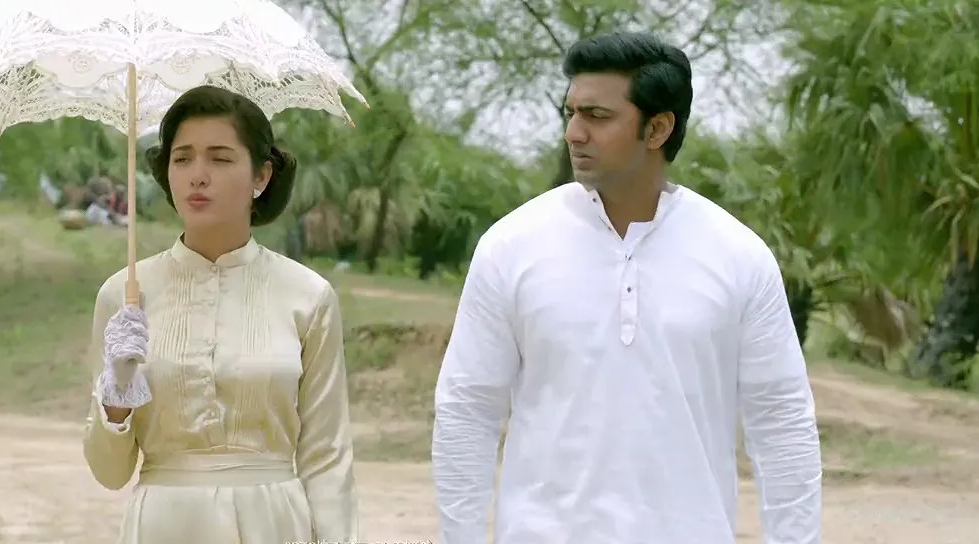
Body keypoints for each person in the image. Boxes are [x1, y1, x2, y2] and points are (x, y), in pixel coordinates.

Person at [431, 32, 822, 544]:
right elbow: (467, 409)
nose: (573, 133)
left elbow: (782, 421)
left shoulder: (739, 256)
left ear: (658, 128)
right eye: (571, 112)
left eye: (597, 116)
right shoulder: (511, 245)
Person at [82, 85, 358, 543]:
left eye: (220, 158)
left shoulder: (308, 296)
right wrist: (118, 390)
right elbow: (109, 473)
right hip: (164, 525)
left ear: (261, 176)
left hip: (273, 523)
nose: (198, 175)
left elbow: (327, 456)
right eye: (182, 158)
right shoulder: (123, 296)